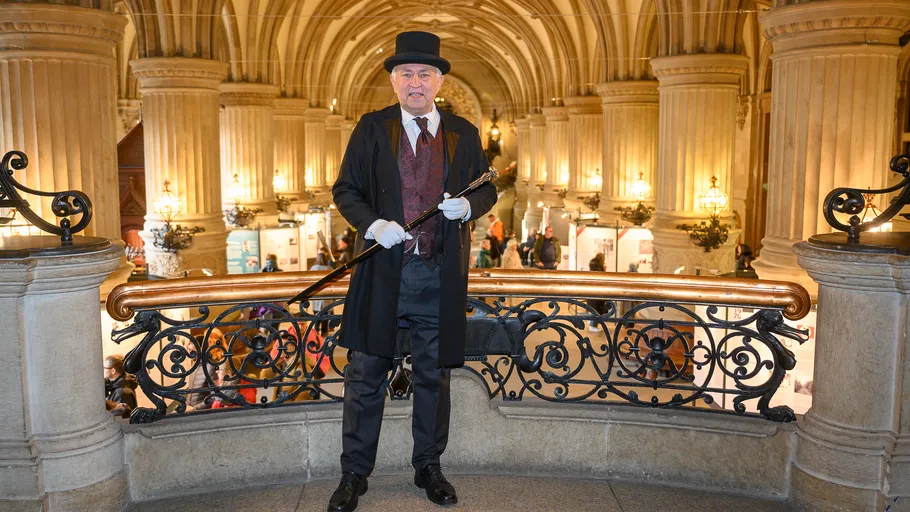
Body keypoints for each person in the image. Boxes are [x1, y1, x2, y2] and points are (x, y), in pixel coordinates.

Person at [329, 31, 496, 512]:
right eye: (405, 74)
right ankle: (354, 474)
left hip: (437, 276)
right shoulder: (371, 128)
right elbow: (346, 190)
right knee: (364, 375)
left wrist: (467, 206)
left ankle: (429, 467)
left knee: (432, 378)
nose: (415, 82)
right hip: (382, 274)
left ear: (440, 81)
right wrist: (374, 223)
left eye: (424, 74)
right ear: (393, 82)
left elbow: (488, 190)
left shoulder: (464, 133)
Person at [586, 253, 607, 332]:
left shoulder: (593, 264)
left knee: (593, 306)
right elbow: (601, 277)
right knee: (597, 307)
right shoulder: (599, 266)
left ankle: (591, 321)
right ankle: (593, 325)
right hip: (597, 289)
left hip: (591, 289)